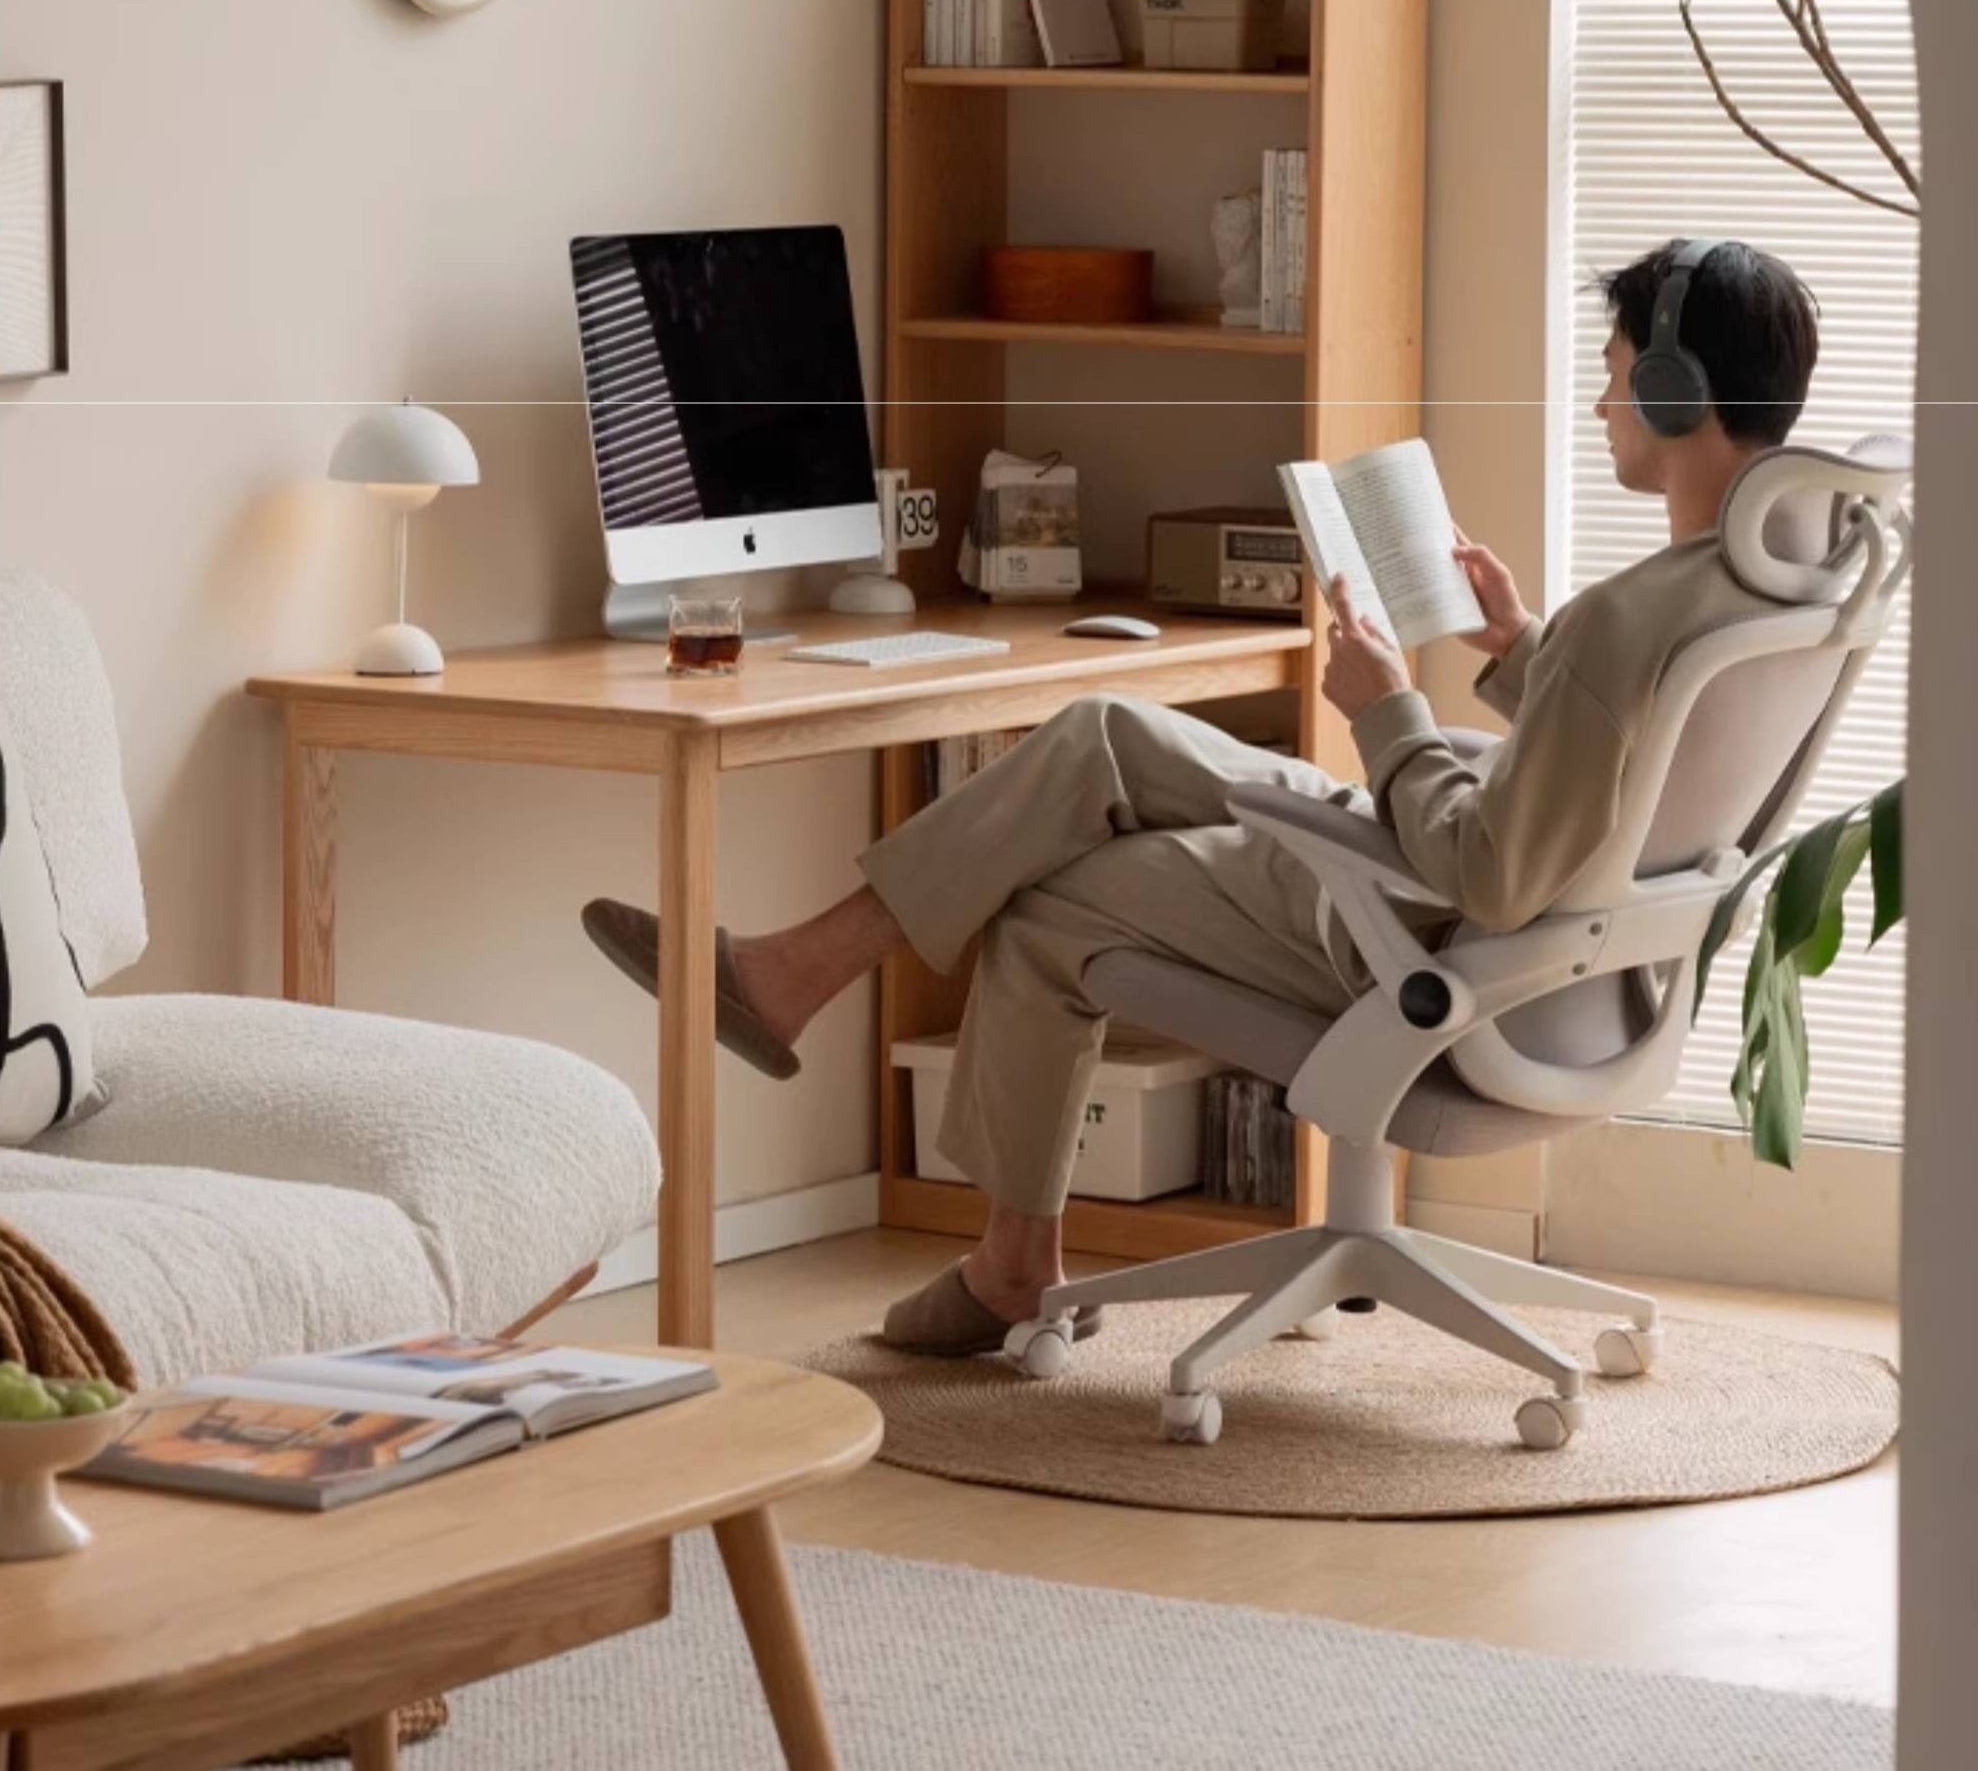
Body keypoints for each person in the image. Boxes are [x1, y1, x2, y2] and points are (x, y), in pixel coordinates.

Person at [583, 239, 1819, 1354]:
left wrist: (1381, 703)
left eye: (1615, 373)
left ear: (1674, 392)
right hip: (1581, 976)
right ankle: (794, 975)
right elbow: (1622, 778)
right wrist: (1516, 648)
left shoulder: (1635, 616)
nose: (1603, 398)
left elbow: (1485, 866)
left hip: (1434, 936)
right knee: (1101, 732)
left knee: (1046, 900)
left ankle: (1003, 1251)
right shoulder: (1769, 589)